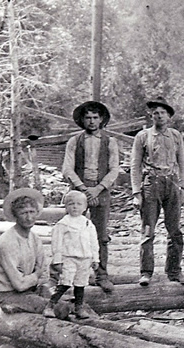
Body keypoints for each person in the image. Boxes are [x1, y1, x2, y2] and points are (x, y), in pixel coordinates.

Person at [131, 97, 184, 286]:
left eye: (163, 113)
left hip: (171, 183)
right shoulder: (143, 136)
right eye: (156, 113)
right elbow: (135, 165)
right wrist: (136, 193)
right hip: (151, 183)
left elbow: (182, 163)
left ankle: (174, 270)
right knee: (148, 231)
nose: (159, 116)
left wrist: (183, 188)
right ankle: (146, 271)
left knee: (175, 230)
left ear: (169, 116)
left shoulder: (175, 135)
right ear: (151, 115)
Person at [62, 101, 120, 293]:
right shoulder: (74, 141)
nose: (92, 121)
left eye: (95, 117)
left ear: (101, 119)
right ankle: (68, 275)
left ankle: (101, 275)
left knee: (101, 235)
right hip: (79, 190)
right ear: (82, 120)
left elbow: (114, 170)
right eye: (88, 117)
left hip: (101, 191)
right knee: (73, 231)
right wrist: (83, 189)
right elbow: (68, 168)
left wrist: (98, 189)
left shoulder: (110, 142)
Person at [0, 189, 50, 314]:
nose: (29, 218)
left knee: (65, 301)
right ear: (15, 215)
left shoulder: (35, 239)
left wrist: (33, 276)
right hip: (10, 297)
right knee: (57, 307)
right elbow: (19, 284)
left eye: (32, 212)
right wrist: (35, 275)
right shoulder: (7, 242)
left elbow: (44, 272)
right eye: (23, 213)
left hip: (32, 290)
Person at [43, 191, 98, 319]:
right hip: (69, 258)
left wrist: (95, 258)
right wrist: (57, 260)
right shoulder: (63, 224)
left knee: (80, 284)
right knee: (65, 283)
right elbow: (57, 243)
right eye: (71, 204)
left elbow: (93, 242)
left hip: (85, 258)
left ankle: (79, 308)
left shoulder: (87, 223)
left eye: (79, 204)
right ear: (66, 207)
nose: (75, 207)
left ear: (85, 207)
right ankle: (50, 306)